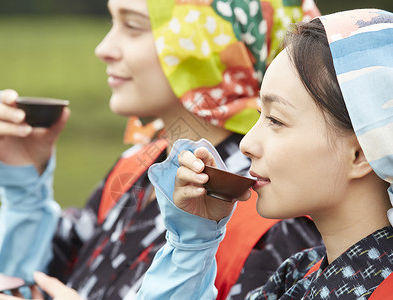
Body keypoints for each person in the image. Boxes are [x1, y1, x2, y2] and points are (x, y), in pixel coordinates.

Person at [0, 0, 322, 299]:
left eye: (133, 26)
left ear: (205, 44)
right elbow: (31, 284)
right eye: (112, 21)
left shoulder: (271, 209)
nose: (103, 48)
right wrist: (24, 193)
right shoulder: (136, 166)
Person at [135, 8, 393, 299]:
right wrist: (192, 245)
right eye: (260, 115)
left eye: (276, 120)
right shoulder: (296, 275)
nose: (247, 143)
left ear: (359, 153)